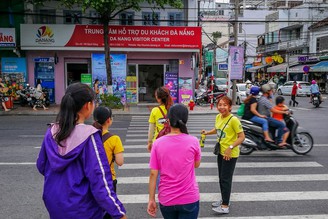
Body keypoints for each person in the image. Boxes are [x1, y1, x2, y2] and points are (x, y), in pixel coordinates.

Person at [36, 82, 127, 219]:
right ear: (88, 105)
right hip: (82, 208)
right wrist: (118, 213)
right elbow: (100, 181)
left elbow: (41, 165)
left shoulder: (52, 132)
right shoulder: (89, 136)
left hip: (54, 203)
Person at [147, 104, 201, 219]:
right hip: (189, 198)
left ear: (168, 120)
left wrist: (151, 199)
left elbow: (153, 174)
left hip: (167, 199)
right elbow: (196, 165)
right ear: (185, 120)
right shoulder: (193, 141)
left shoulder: (158, 143)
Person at [201, 96, 245, 214]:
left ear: (230, 107)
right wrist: (207, 132)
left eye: (225, 105)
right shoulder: (218, 117)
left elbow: (242, 137)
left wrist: (230, 148)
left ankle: (225, 206)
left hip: (230, 154)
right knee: (221, 178)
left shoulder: (234, 120)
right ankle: (225, 199)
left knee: (225, 179)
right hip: (221, 151)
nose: (222, 107)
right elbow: (217, 129)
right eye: (220, 105)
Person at [93, 106, 125, 219]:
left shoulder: (89, 136)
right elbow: (120, 162)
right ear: (108, 120)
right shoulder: (114, 139)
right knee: (108, 211)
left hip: (91, 179)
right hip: (108, 180)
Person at [147, 86, 173, 152]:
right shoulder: (174, 109)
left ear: (159, 98)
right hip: (172, 141)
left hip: (158, 141)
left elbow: (151, 129)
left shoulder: (155, 110)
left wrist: (149, 142)